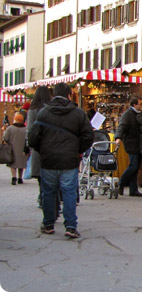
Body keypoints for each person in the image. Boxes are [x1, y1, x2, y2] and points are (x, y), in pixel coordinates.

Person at [28, 83, 94, 238]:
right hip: (69, 159)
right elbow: (88, 136)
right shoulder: (78, 113)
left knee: (48, 193)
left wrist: (42, 150)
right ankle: (71, 226)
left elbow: (33, 137)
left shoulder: (44, 112)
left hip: (49, 159)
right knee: (69, 193)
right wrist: (78, 150)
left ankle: (49, 223)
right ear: (69, 95)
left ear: (53, 95)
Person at [25, 86, 52, 207]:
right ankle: (47, 197)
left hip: (38, 146)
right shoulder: (51, 108)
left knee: (40, 175)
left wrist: (28, 145)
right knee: (50, 174)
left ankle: (42, 196)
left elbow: (30, 129)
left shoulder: (32, 110)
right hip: (51, 145)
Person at [115, 97, 142, 197]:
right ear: (134, 105)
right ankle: (121, 182)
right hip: (131, 143)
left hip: (139, 142)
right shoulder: (128, 115)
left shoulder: (139, 113)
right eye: (140, 104)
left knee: (136, 167)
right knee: (133, 165)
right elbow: (121, 126)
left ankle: (133, 189)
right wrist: (118, 137)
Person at [3, 112, 28, 185]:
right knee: (21, 163)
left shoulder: (10, 128)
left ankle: (14, 177)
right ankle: (20, 178)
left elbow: (6, 138)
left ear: (15, 119)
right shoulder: (25, 129)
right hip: (22, 149)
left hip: (12, 149)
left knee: (13, 164)